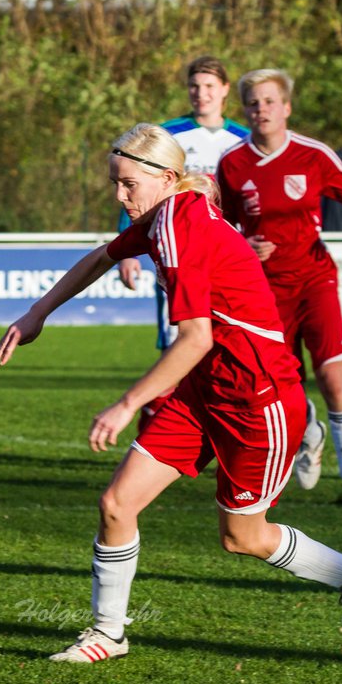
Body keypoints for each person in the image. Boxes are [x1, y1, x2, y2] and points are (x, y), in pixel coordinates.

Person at [0, 124, 342, 663]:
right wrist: (38, 312)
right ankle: (109, 634)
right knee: (116, 503)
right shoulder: (162, 215)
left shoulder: (181, 226)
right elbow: (101, 257)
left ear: (165, 178)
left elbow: (196, 336)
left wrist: (128, 402)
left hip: (259, 400)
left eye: (128, 183)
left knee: (242, 538)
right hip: (202, 394)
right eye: (114, 183)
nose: (119, 195)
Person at [218, 69, 342, 508]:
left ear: (286, 107)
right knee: (280, 386)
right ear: (245, 110)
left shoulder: (312, 155)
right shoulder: (232, 164)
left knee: (332, 375)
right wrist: (245, 246)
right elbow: (226, 227)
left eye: (270, 101)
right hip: (263, 292)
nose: (262, 109)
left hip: (315, 278)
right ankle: (308, 426)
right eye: (253, 102)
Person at [117, 56, 249, 430]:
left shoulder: (242, 140)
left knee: (228, 345)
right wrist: (127, 251)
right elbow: (134, 184)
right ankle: (153, 428)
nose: (201, 93)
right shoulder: (168, 135)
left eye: (209, 86)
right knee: (177, 343)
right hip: (174, 253)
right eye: (195, 86)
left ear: (225, 89)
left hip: (226, 259)